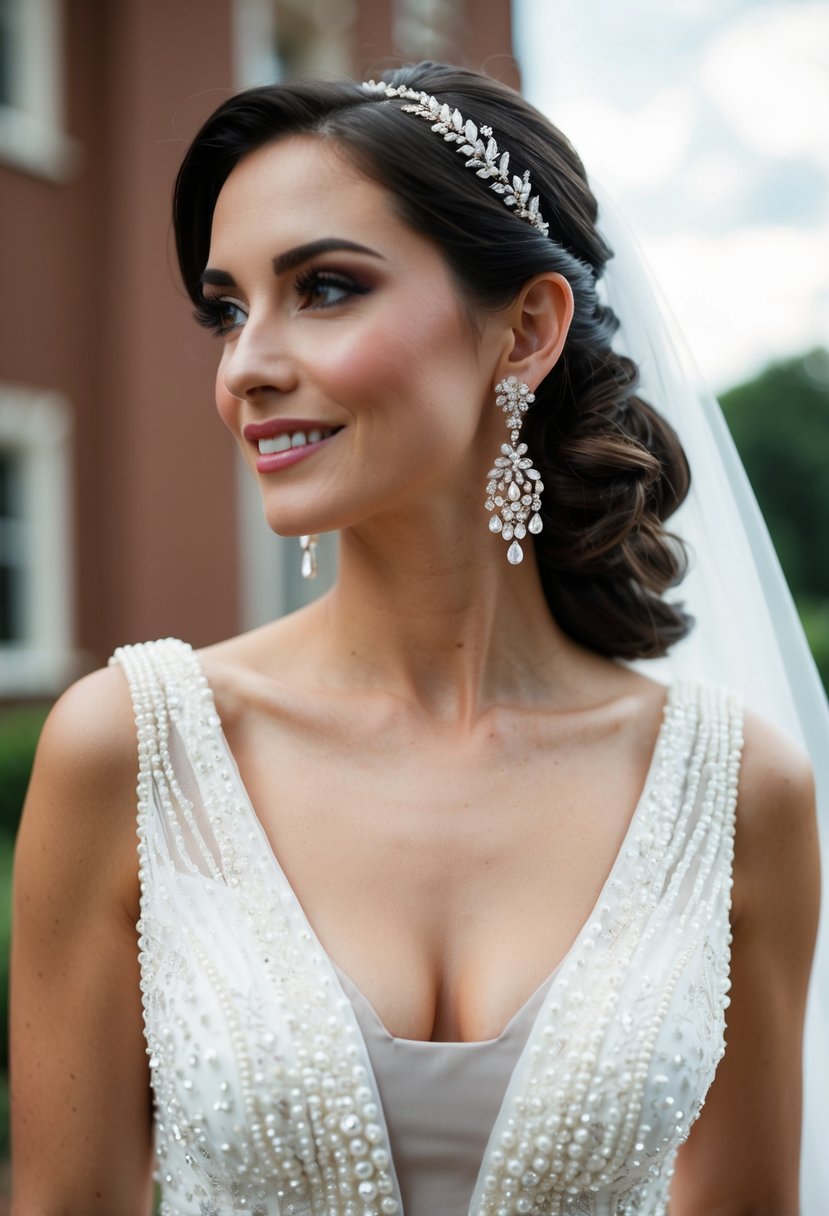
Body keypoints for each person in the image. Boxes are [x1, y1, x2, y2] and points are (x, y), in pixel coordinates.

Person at [10, 62, 825, 1216]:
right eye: (227, 309)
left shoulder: (734, 791)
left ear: (525, 330)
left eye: (326, 288)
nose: (246, 365)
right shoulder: (133, 752)